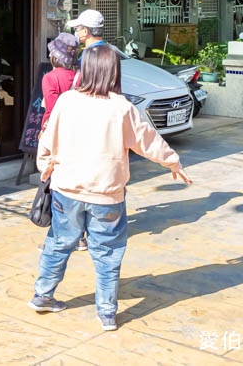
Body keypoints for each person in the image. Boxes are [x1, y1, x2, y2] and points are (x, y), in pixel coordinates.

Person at [29, 44, 192, 332]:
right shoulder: (122, 108)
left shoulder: (67, 101)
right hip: (107, 195)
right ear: (113, 73)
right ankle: (106, 313)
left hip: (66, 191)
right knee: (107, 252)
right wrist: (173, 163)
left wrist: (46, 168)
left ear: (85, 71)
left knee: (58, 243)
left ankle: (43, 295)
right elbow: (148, 141)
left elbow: (47, 140)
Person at [39, 32, 87, 253]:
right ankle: (82, 236)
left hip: (60, 137)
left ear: (54, 56)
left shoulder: (50, 78)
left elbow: (51, 110)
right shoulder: (82, 76)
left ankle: (63, 237)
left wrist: (43, 134)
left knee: (59, 186)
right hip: (83, 135)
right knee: (80, 185)